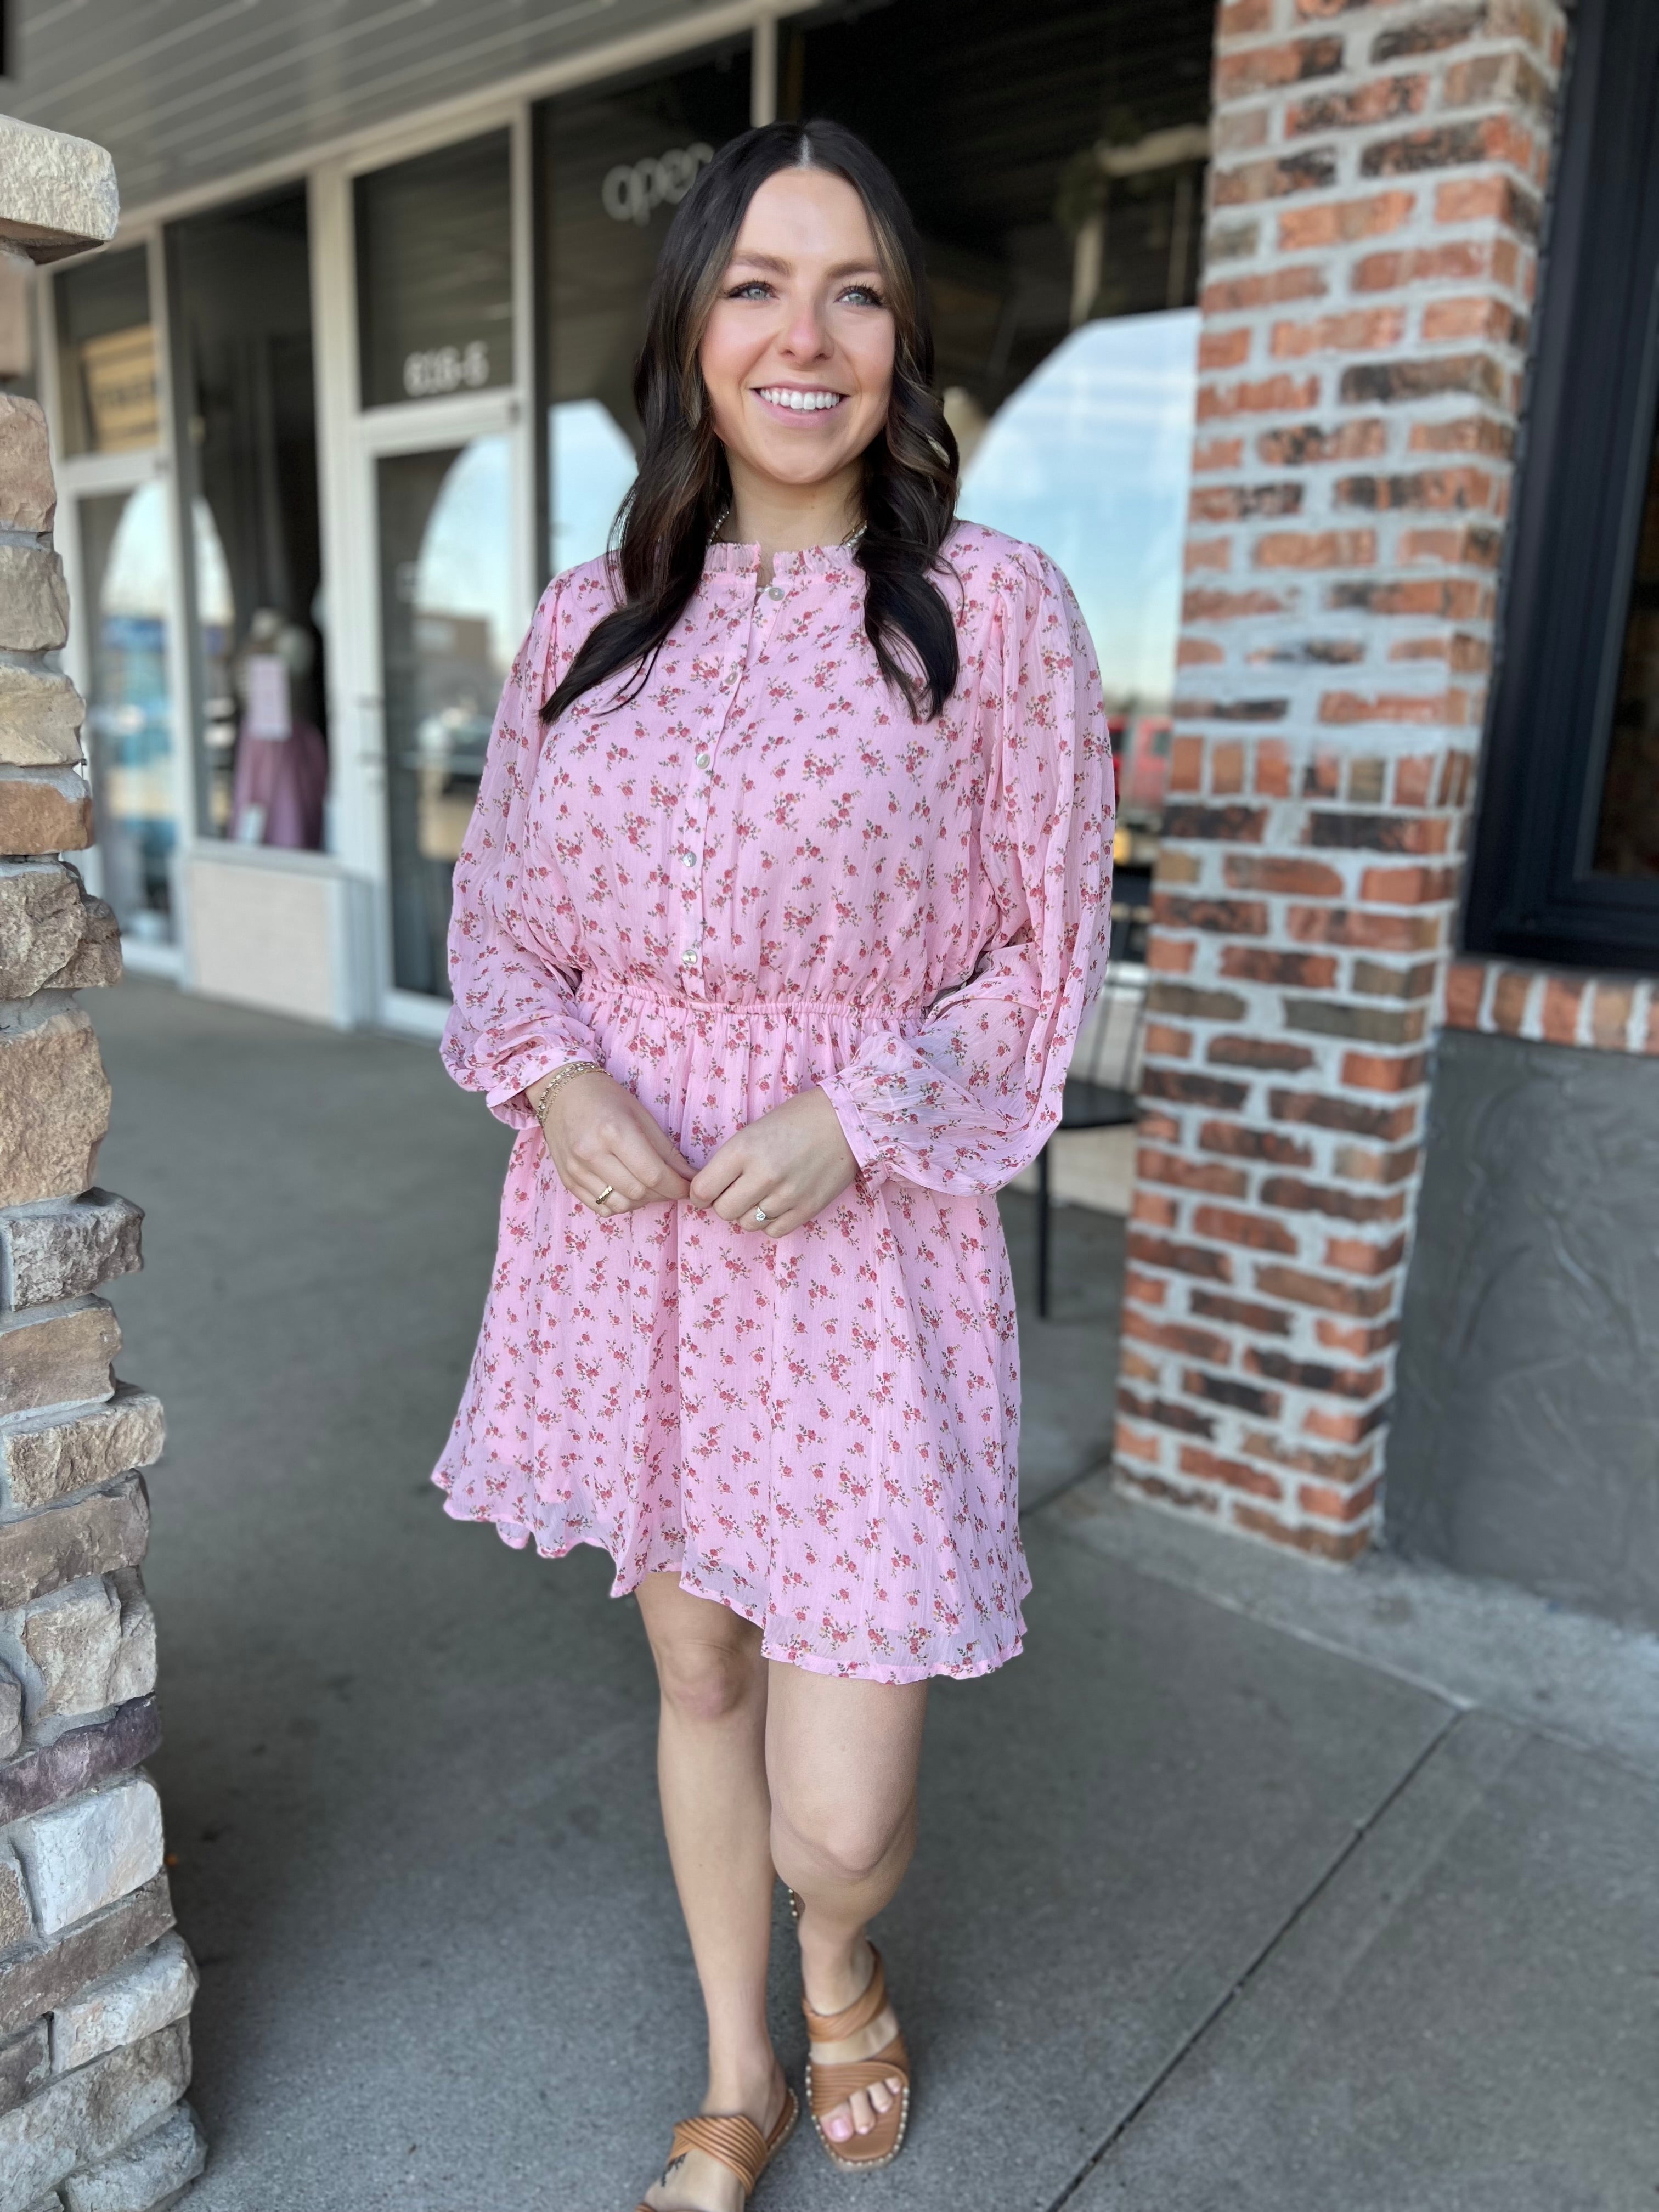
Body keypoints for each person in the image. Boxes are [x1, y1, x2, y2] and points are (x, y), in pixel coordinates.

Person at [433, 117, 1115, 2212]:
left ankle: (841, 1949)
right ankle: (738, 2068)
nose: (801, 338)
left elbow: (1047, 949)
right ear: (693, 329)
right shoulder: (585, 624)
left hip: (859, 1259)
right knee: (698, 1664)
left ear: (905, 344)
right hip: (631, 1245)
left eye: (855, 291)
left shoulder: (992, 618)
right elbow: (499, 921)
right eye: (754, 286)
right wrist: (556, 1079)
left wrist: (864, 1115)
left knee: (841, 1807)